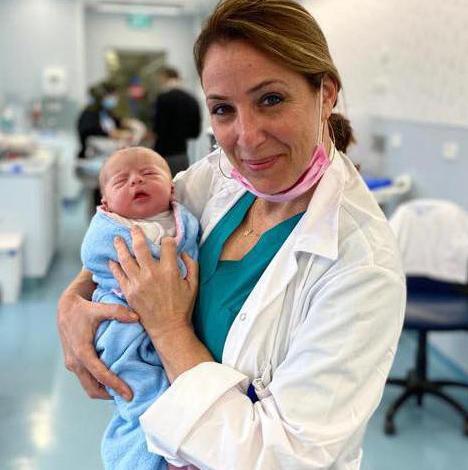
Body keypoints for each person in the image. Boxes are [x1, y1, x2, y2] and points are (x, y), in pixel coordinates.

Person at [58, 1, 406, 468]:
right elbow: (133, 227)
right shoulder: (219, 179)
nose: (247, 137)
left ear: (326, 94)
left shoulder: (362, 266)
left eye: (271, 99)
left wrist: (168, 328)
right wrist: (73, 300)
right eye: (223, 109)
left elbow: (283, 458)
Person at [81, 147, 199, 470]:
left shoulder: (184, 220)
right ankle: (142, 449)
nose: (136, 181)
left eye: (148, 174)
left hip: (176, 321)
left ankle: (169, 439)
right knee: (138, 387)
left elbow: (192, 252)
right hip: (123, 318)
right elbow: (94, 258)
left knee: (174, 386)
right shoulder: (111, 228)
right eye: (121, 181)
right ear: (105, 203)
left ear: (172, 189)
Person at [77, 81, 132, 206]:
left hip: (110, 159)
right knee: (100, 197)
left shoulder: (105, 112)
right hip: (95, 160)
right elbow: (89, 132)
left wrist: (128, 126)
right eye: (112, 95)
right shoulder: (89, 114)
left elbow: (117, 123)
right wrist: (111, 134)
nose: (114, 99)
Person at [152, 66, 201, 175]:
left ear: (165, 77)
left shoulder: (163, 98)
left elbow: (158, 128)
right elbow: (195, 132)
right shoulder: (191, 99)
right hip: (182, 155)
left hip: (164, 155)